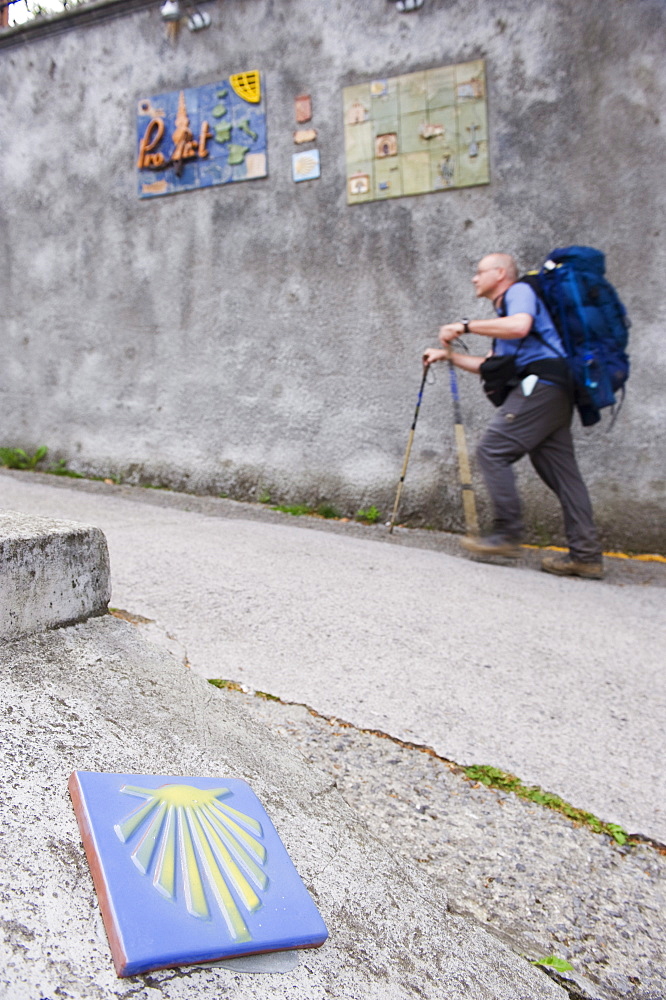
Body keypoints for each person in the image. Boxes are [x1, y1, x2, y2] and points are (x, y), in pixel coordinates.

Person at [423, 252, 604, 579]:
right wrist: (446, 356)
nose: (474, 278)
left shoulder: (519, 292)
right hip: (555, 388)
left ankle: (506, 535)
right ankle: (586, 555)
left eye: (480, 272)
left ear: (501, 273)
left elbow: (521, 326)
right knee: (563, 474)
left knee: (492, 449)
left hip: (542, 385)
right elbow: (491, 367)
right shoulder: (503, 318)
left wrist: (464, 327)